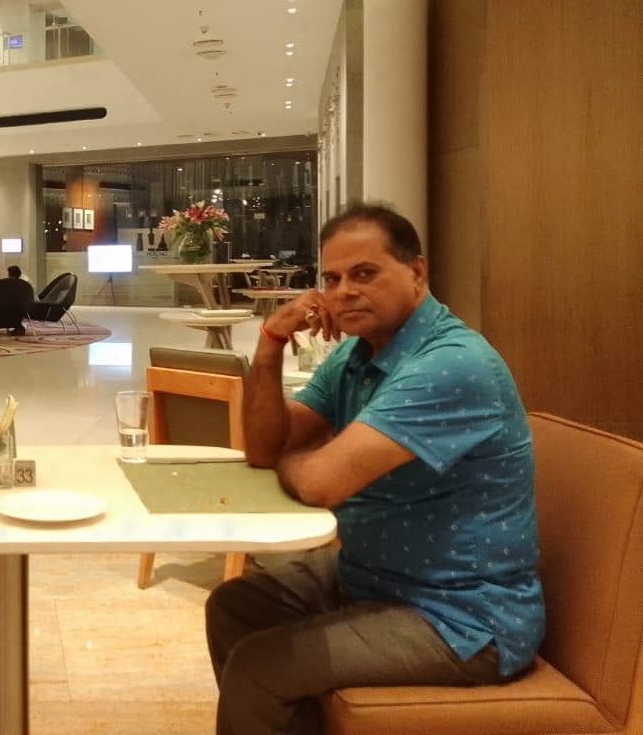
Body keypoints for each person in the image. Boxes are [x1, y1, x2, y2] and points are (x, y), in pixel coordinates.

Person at [206, 203, 543, 735]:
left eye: (364, 274)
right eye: (332, 279)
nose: (343, 293)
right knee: (235, 605)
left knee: (258, 668)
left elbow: (320, 483)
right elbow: (265, 449)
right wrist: (270, 342)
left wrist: (301, 459)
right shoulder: (357, 355)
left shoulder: (451, 364)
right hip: (374, 575)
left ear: (417, 272)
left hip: (462, 617)